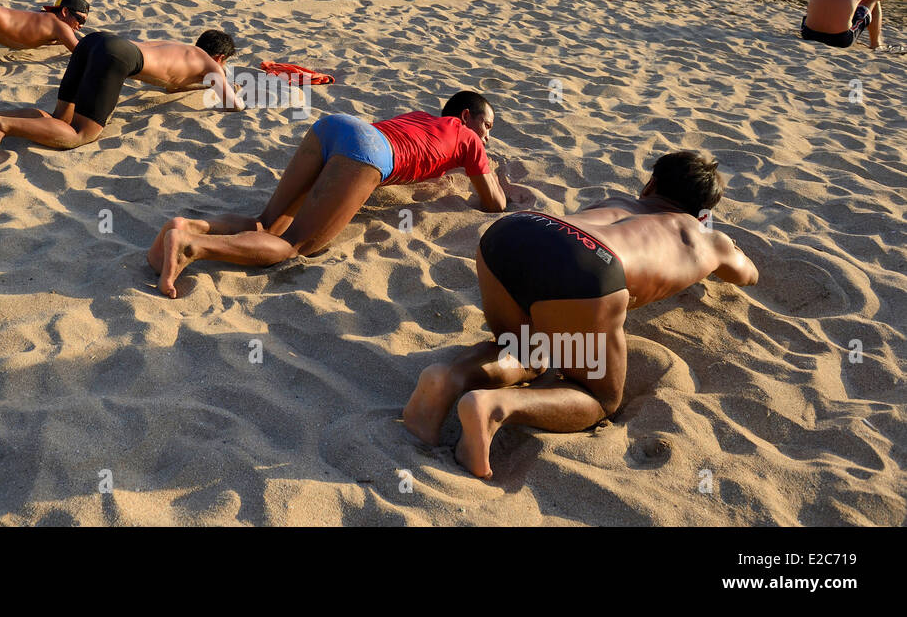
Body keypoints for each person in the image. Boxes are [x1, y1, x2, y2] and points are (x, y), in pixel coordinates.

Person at [402, 150, 758, 479]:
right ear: (703, 213)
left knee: (525, 350)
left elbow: (573, 236)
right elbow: (747, 274)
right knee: (600, 397)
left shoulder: (619, 201)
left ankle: (448, 377)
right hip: (592, 267)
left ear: (650, 184)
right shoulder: (710, 237)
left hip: (517, 231)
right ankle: (493, 407)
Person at [149, 91, 508, 298]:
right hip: (369, 151)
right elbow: (494, 202)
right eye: (487, 126)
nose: (487, 137)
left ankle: (190, 225)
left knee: (267, 223)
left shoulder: (420, 117)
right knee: (294, 245)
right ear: (465, 116)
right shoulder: (468, 139)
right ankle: (192, 246)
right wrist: (488, 168)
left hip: (338, 126)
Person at [0, 29, 241, 163]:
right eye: (224, 63)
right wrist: (230, 87)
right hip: (118, 56)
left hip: (95, 42)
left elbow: (172, 87)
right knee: (80, 134)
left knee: (60, 119)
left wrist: (203, 87)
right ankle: (2, 125)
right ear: (220, 57)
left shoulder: (183, 49)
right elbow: (234, 106)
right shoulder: (213, 65)